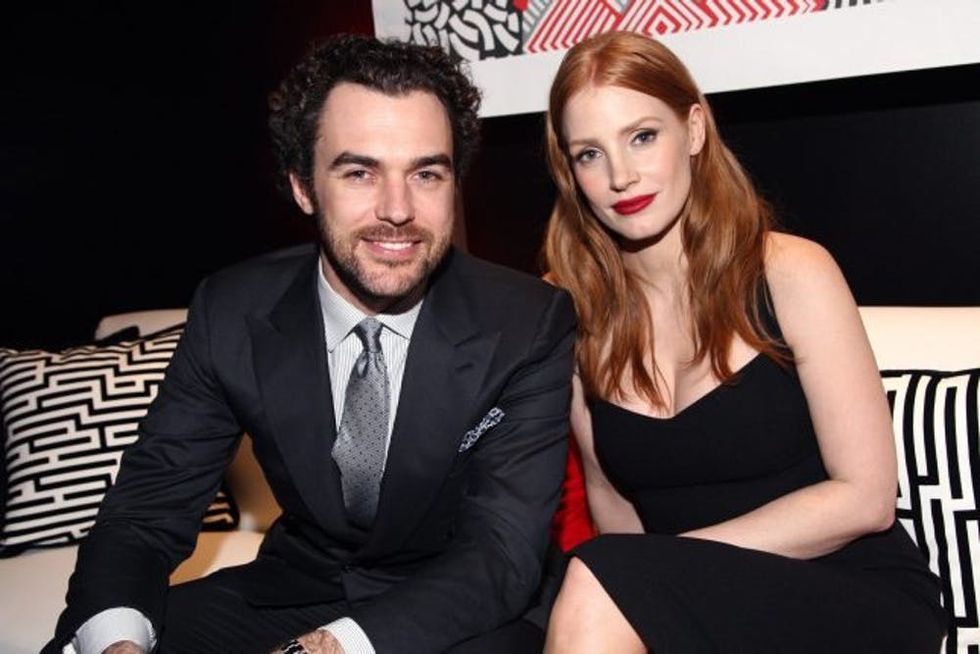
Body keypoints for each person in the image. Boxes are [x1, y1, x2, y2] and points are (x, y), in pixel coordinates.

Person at [44, 34, 576, 654]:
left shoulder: (526, 321)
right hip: (301, 586)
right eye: (359, 172)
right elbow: (146, 511)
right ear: (302, 186)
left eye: (426, 173)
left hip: (463, 605)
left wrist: (328, 648)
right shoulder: (234, 308)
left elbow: (501, 551)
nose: (398, 209)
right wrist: (118, 643)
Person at [540, 31, 947, 653]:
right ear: (570, 171)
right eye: (589, 154)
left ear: (695, 131)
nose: (621, 175)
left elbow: (866, 500)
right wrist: (647, 582)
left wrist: (658, 565)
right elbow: (613, 504)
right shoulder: (576, 313)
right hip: (684, 602)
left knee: (597, 576)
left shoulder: (790, 272)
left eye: (642, 136)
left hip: (844, 590)